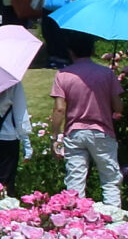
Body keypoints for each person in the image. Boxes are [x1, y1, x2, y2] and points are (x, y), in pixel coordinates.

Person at [50, 30, 124, 212]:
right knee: (109, 178)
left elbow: (60, 108)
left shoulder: (63, 75)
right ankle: (114, 217)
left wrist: (54, 136)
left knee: (75, 180)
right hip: (101, 131)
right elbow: (118, 107)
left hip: (74, 132)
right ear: (92, 50)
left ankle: (76, 220)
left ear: (71, 51)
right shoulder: (106, 73)